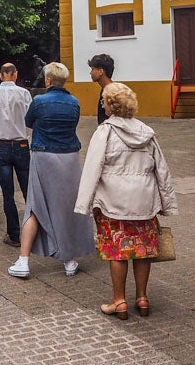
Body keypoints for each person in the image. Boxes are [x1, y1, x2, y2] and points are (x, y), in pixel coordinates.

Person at [75, 82, 176, 318]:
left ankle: (119, 301)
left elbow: (92, 168)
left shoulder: (105, 131)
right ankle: (142, 298)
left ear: (110, 106)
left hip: (113, 202)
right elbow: (161, 169)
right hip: (144, 202)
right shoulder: (146, 132)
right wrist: (167, 202)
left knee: (117, 251)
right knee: (143, 250)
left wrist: (84, 203)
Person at [7, 62, 95, 278]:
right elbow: (73, 124)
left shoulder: (39, 101)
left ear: (47, 79)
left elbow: (28, 122)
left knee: (35, 205)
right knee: (67, 206)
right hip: (70, 157)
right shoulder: (74, 102)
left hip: (43, 154)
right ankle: (69, 259)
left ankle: (23, 260)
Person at [0, 62, 33, 247]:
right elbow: (30, 121)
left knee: (7, 193)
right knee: (28, 191)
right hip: (22, 144)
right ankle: (34, 229)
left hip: (1, 146)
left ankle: (13, 234)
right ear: (15, 74)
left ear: (0, 75)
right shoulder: (24, 94)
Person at [88, 54, 114, 124]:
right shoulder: (104, 89)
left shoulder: (112, 93)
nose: (90, 73)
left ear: (101, 72)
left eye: (93, 69)